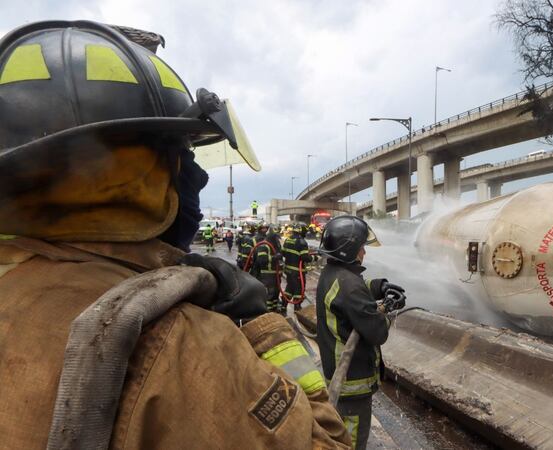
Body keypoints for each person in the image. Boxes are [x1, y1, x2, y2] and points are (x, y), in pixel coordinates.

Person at [0, 21, 349, 449]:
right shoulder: (179, 343)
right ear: (134, 174)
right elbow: (330, 442)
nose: (196, 176)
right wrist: (263, 330)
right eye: (183, 154)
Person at [316, 216, 405, 450]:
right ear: (349, 250)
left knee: (340, 434)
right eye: (361, 247)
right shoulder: (349, 286)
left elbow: (356, 288)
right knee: (352, 441)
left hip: (338, 374)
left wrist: (379, 286)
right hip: (352, 381)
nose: (364, 252)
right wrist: (388, 309)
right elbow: (377, 332)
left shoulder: (333, 273)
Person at [282, 222, 314, 313]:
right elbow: (305, 257)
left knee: (290, 287)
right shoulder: (302, 242)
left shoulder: (288, 239)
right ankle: (297, 307)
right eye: (305, 230)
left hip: (288, 270)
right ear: (301, 230)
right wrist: (313, 258)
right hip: (297, 271)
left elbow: (283, 253)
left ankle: (283, 305)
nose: (306, 232)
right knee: (299, 289)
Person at [253, 224, 281, 313]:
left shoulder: (276, 245)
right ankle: (268, 311)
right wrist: (274, 257)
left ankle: (274, 309)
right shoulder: (264, 245)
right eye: (275, 238)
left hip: (276, 273)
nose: (277, 240)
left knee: (276, 292)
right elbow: (261, 260)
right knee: (270, 293)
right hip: (268, 274)